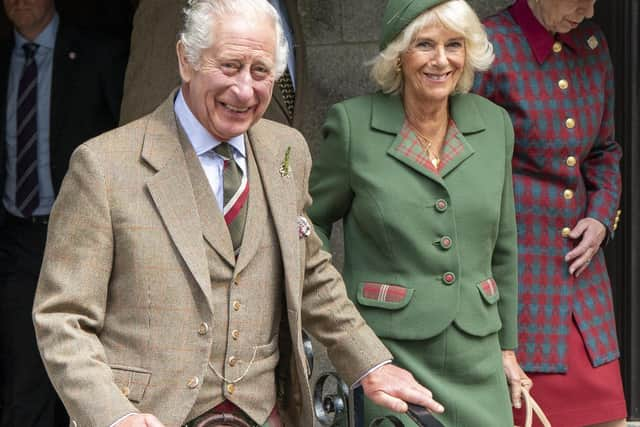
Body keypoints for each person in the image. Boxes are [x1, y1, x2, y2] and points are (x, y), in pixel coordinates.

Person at [32, 1, 445, 426]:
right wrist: (115, 416)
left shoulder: (288, 150)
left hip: (264, 415)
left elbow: (310, 273)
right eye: (229, 66)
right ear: (185, 60)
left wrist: (370, 364)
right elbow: (63, 319)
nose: (245, 90)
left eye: (261, 71)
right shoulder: (103, 166)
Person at [308, 0, 526, 425]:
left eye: (454, 45)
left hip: (477, 358)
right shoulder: (353, 127)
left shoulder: (495, 125)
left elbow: (504, 244)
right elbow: (310, 222)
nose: (441, 60)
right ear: (399, 54)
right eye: (425, 44)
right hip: (390, 357)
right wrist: (340, 325)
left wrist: (507, 348)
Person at [473, 1, 626, 426]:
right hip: (520, 277)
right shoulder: (489, 44)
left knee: (604, 411)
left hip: (583, 277)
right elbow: (463, 156)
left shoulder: (592, 42)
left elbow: (604, 150)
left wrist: (600, 215)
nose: (589, 8)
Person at [0, 0, 127, 425]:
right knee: (25, 375)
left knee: (92, 372)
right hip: (18, 238)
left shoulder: (99, 54)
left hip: (83, 237)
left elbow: (125, 139)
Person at [119, 0, 304, 128]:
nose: (245, 91)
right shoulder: (172, 8)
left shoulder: (289, 8)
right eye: (230, 65)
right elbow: (148, 137)